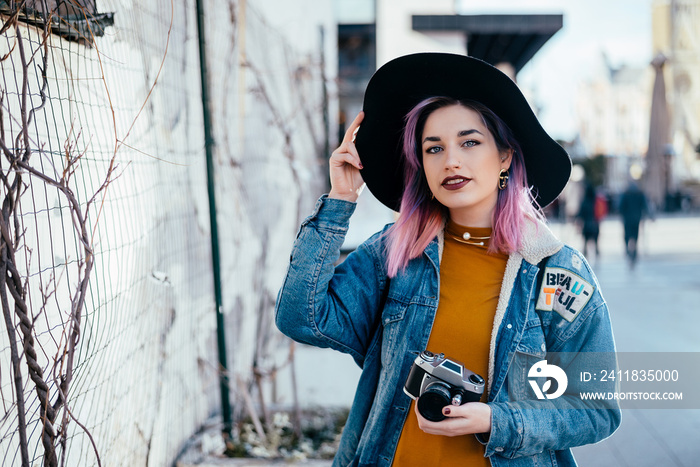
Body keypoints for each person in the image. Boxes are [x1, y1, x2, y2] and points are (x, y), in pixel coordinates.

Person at [275, 53, 620, 466]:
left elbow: (596, 409)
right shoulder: (397, 253)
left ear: (506, 156)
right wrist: (340, 200)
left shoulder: (558, 273)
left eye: (470, 142)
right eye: (433, 148)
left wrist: (497, 420)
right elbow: (300, 317)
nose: (451, 160)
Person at [619, 181, 650, 267]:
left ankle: (628, 251)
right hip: (636, 219)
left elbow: (620, 206)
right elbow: (645, 206)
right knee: (635, 236)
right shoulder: (640, 194)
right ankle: (634, 252)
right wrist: (649, 215)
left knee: (627, 236)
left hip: (627, 219)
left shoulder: (625, 194)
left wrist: (622, 214)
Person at [576, 183, 605, 258]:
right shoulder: (596, 201)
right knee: (596, 243)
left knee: (585, 243)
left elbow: (580, 214)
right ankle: (597, 256)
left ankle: (585, 258)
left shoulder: (584, 201)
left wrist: (578, 223)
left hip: (586, 225)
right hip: (595, 225)